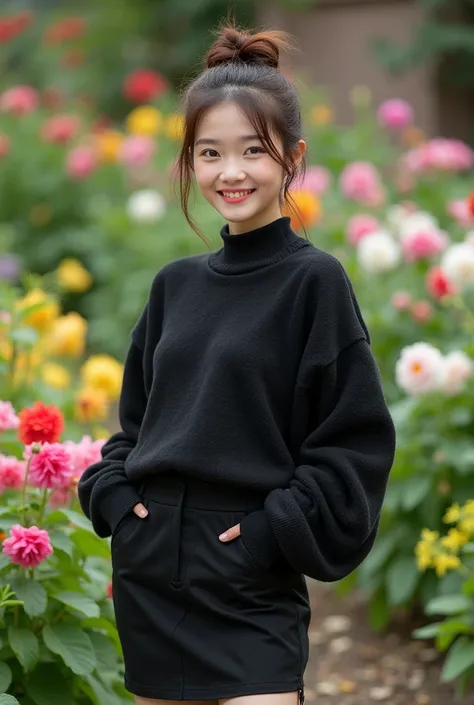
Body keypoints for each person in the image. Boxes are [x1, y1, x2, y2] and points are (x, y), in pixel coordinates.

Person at [77, 21, 396, 705]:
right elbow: (133, 428)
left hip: (251, 584)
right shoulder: (175, 285)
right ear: (190, 160)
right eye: (211, 152)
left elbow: (352, 444)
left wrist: (267, 534)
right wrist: (113, 497)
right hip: (152, 577)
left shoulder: (316, 284)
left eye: (253, 150)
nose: (231, 172)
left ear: (292, 156)